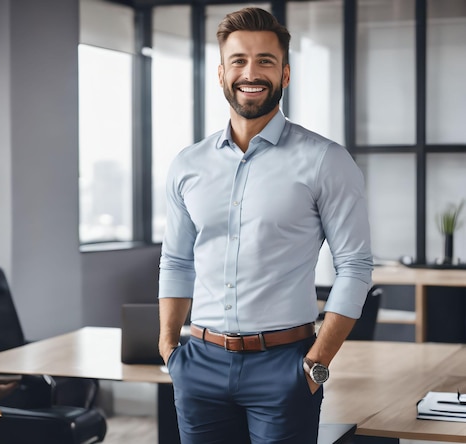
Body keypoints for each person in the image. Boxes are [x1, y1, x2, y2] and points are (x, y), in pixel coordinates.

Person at [158, 7, 373, 444]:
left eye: (265, 61)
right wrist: (168, 348)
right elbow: (177, 260)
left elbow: (354, 266)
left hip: (284, 367)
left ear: (285, 74)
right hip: (199, 363)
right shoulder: (188, 164)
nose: (250, 72)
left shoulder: (325, 160)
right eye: (238, 60)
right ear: (221, 73)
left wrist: (316, 363)